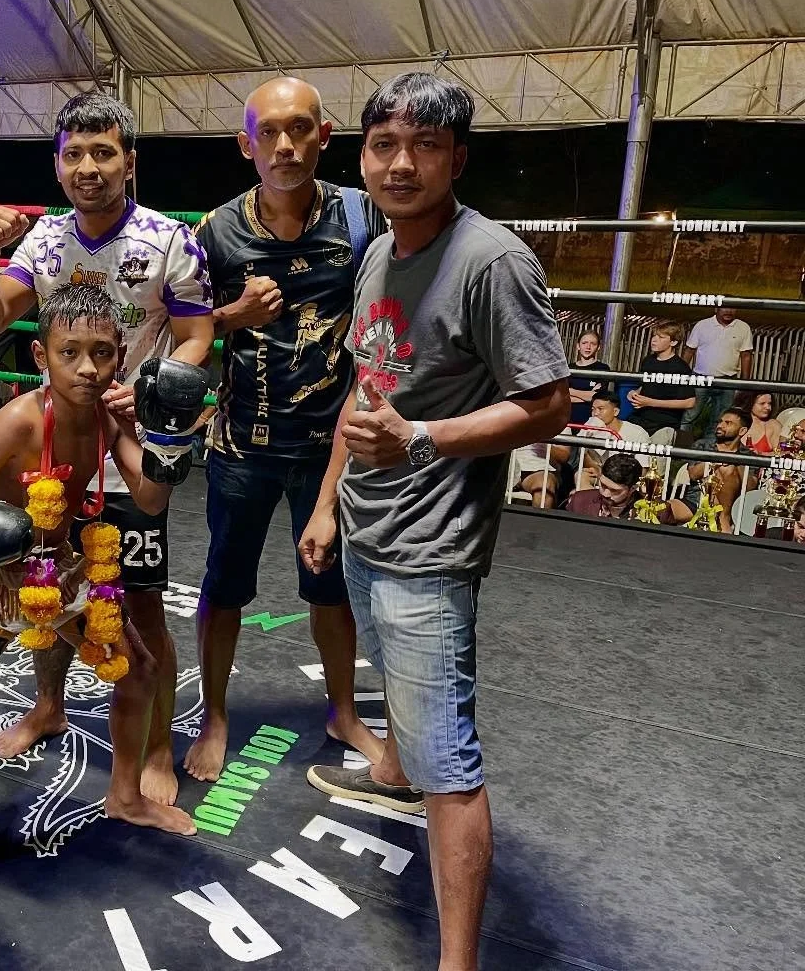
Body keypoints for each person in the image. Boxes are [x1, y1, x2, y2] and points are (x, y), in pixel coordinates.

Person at [300, 72, 570, 971]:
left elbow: (549, 404)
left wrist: (421, 439)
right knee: (409, 721)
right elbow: (365, 390)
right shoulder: (379, 251)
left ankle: (459, 964)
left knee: (449, 768)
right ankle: (388, 773)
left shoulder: (492, 261)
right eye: (384, 145)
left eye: (423, 147)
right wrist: (329, 497)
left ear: (457, 158)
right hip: (370, 529)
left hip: (433, 545)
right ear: (363, 155)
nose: (401, 164)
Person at [0, 282, 200, 931]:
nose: (88, 368)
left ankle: (123, 797)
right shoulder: (19, 421)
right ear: (42, 357)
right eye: (71, 353)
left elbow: (148, 501)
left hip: (59, 568)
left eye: (102, 353)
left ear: (121, 356)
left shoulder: (110, 418)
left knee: (140, 670)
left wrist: (167, 448)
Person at [0, 90, 215, 803]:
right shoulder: (42, 242)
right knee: (49, 584)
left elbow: (197, 332)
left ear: (129, 161)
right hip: (55, 451)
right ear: (57, 165)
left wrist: (164, 386)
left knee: (138, 606)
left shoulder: (170, 239)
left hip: (131, 447)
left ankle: (158, 745)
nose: (89, 167)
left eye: (103, 152)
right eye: (74, 154)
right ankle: (49, 706)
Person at [187, 76, 387, 784]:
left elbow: (383, 333)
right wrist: (232, 317)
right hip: (241, 444)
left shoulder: (362, 218)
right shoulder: (215, 231)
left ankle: (342, 710)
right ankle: (213, 713)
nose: (284, 144)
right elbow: (181, 334)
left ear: (324, 136)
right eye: (268, 132)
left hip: (328, 449)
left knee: (332, 590)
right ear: (246, 145)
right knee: (224, 586)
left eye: (299, 128)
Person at [665, 408, 749, 532]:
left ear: (742, 430)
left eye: (728, 423)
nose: (720, 425)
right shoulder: (702, 445)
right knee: (660, 510)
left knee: (728, 469)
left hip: (729, 508)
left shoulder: (747, 454)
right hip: (696, 501)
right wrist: (716, 460)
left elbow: (750, 486)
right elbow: (693, 474)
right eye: (720, 422)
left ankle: (722, 519)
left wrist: (735, 462)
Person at [682, 308, 753, 445]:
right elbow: (690, 350)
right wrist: (681, 375)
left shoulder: (743, 328)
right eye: (725, 308)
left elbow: (746, 355)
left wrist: (745, 382)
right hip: (700, 377)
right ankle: (681, 445)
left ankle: (710, 446)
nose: (729, 311)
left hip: (727, 380)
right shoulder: (702, 325)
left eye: (733, 308)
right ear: (716, 309)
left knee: (720, 417)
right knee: (690, 414)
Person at [625, 322, 695, 445]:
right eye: (654, 336)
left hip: (664, 423)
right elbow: (647, 386)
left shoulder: (681, 368)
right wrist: (634, 393)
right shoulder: (648, 361)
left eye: (661, 337)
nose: (654, 340)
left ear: (673, 342)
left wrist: (650, 402)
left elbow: (689, 401)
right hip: (640, 418)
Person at [578, 393, 651, 481]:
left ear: (615, 412)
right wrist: (583, 450)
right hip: (601, 476)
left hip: (626, 480)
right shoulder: (590, 430)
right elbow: (591, 465)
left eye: (600, 409)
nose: (595, 414)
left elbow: (643, 468)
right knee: (580, 476)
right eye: (593, 409)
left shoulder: (636, 432)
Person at [565, 453, 643, 518]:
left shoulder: (646, 511)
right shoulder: (580, 501)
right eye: (603, 485)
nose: (605, 494)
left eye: (614, 490)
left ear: (632, 488)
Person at [567, 330, 609, 425]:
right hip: (567, 417)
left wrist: (571, 391)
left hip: (591, 419)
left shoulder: (602, 369)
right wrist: (588, 395)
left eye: (593, 344)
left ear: (598, 347)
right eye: (584, 343)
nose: (588, 347)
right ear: (578, 346)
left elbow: (597, 398)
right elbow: (564, 397)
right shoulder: (569, 368)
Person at [735, 390, 781, 455]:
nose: (768, 407)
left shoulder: (773, 425)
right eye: (762, 403)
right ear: (750, 403)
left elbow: (779, 454)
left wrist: (760, 454)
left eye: (769, 403)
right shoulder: (736, 422)